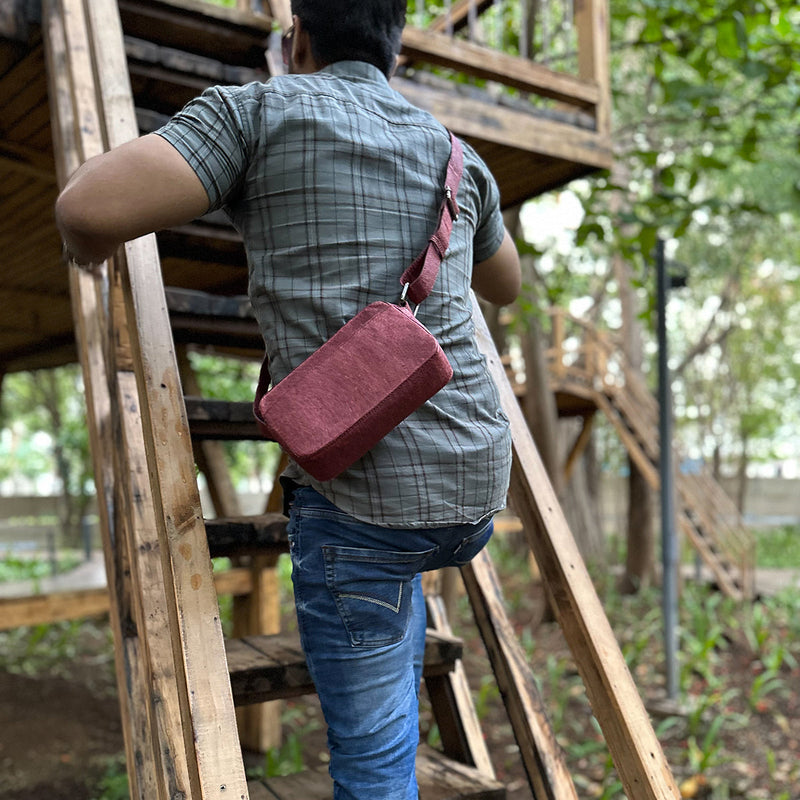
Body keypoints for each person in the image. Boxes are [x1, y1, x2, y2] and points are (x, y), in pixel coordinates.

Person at [55, 1, 521, 797]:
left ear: (296, 36)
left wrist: (85, 255)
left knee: (373, 762)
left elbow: (86, 209)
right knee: (394, 598)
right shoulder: (456, 153)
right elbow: (504, 287)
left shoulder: (257, 111)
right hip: (476, 490)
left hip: (364, 507)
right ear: (397, 54)